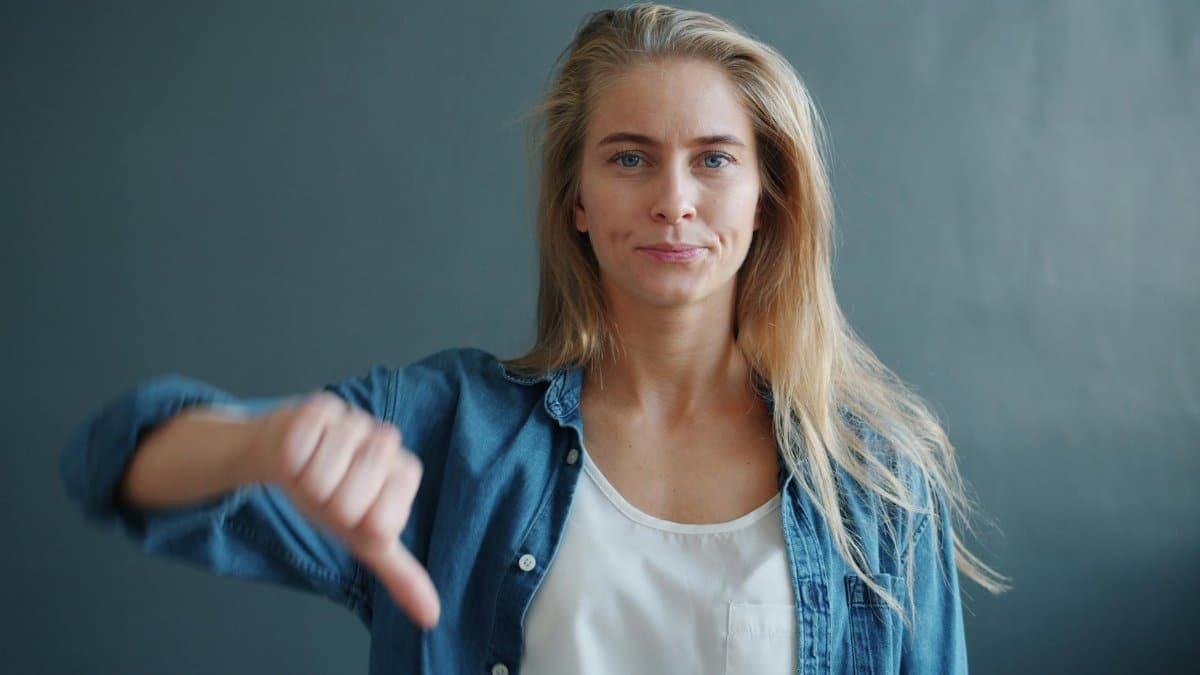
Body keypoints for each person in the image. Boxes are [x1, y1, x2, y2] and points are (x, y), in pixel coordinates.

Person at [60, 4, 1010, 674]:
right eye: (629, 157)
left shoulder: (876, 480)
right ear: (578, 203)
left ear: (768, 202)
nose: (674, 200)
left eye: (714, 159)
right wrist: (261, 444)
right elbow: (112, 462)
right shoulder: (450, 433)